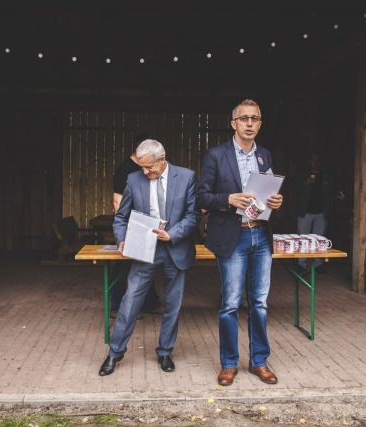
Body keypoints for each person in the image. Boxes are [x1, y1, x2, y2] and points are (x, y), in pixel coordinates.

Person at [197, 99, 283, 387]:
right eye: (244, 118)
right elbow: (201, 197)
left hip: (261, 234)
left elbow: (266, 194)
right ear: (233, 123)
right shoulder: (215, 155)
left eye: (254, 118)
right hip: (232, 236)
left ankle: (259, 361)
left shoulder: (265, 156)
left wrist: (276, 201)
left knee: (259, 303)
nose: (249, 123)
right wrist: (228, 199)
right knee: (231, 304)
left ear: (260, 124)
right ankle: (229, 363)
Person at [99, 139, 201, 376]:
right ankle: (114, 352)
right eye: (142, 167)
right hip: (144, 249)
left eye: (149, 167)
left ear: (162, 160)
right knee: (129, 303)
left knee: (173, 305)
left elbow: (193, 215)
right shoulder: (134, 179)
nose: (145, 172)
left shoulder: (186, 177)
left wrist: (172, 234)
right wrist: (121, 239)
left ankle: (165, 352)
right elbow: (120, 217)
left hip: (175, 248)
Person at [109, 133, 162, 317]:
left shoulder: (142, 168)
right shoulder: (125, 170)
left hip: (144, 225)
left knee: (145, 264)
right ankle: (116, 307)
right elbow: (117, 202)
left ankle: (150, 303)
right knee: (124, 267)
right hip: (132, 227)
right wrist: (126, 232)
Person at [291, 152, 344, 274]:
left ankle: (318, 264)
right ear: (309, 162)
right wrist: (306, 182)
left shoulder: (325, 174)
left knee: (320, 239)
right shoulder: (303, 174)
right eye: (313, 160)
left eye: (318, 160)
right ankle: (301, 264)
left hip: (321, 212)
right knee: (302, 239)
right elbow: (293, 189)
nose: (316, 163)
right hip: (305, 212)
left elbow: (332, 189)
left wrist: (338, 195)